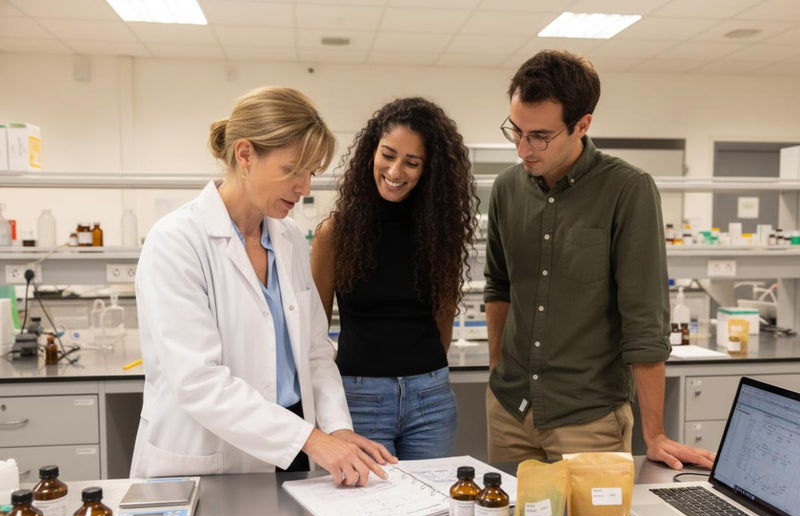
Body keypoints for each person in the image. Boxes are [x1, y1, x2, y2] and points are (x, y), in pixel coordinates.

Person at [130, 86, 395, 485]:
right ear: (245, 155)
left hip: (289, 447)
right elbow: (198, 381)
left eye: (312, 172)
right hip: (208, 456)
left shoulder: (287, 236)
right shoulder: (176, 241)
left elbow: (316, 351)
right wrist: (313, 439)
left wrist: (336, 427)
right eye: (293, 170)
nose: (305, 188)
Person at [484, 50, 715, 470]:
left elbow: (644, 319)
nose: (522, 149)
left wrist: (656, 433)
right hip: (509, 413)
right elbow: (499, 286)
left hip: (588, 421)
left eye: (538, 136)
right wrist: (497, 367)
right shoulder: (506, 190)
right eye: (515, 130)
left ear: (582, 125)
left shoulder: (628, 191)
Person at [311, 97, 478, 459]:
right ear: (371, 151)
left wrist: (420, 373)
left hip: (430, 398)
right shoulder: (335, 233)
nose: (395, 170)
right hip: (359, 398)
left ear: (428, 169)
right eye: (388, 154)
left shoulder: (441, 233)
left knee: (430, 511)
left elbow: (443, 320)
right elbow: (314, 330)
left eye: (412, 162)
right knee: (368, 509)